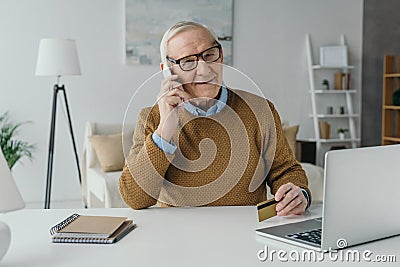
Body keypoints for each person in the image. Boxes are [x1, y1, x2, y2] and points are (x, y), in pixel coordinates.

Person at [119, 21, 311, 215]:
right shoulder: (151, 118)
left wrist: (298, 193)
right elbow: (135, 198)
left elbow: (286, 171)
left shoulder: (261, 110)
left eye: (209, 55)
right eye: (188, 61)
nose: (204, 70)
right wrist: (164, 132)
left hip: (245, 232)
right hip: (177, 237)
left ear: (221, 56)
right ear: (167, 71)